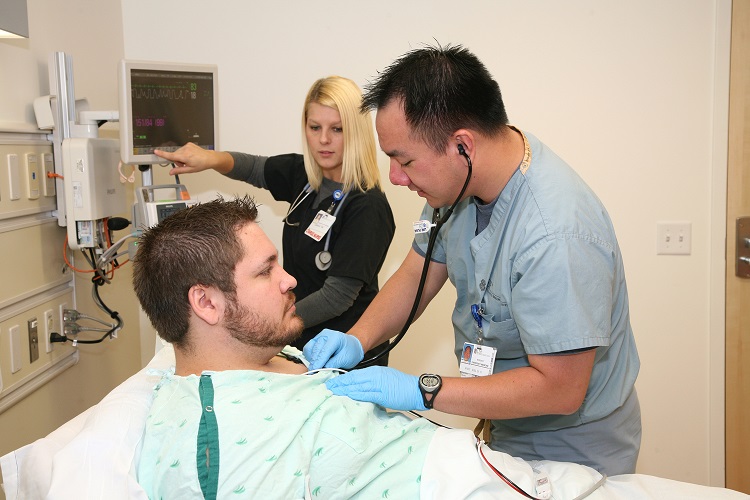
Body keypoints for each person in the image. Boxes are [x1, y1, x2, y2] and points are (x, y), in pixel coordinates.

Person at [303, 44, 642, 477]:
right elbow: (416, 273)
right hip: (504, 425)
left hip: (572, 445)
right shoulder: (456, 185)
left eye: (404, 161)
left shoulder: (556, 234)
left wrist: (423, 389)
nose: (395, 177)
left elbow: (560, 389)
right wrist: (357, 338)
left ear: (462, 145)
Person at [153, 75, 395, 365]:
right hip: (298, 341)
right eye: (314, 127)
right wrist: (210, 159)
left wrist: (269, 321)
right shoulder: (305, 178)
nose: (323, 139)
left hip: (344, 354)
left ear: (356, 131)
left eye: (337, 129)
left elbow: (336, 297)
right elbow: (254, 168)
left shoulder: (367, 206)